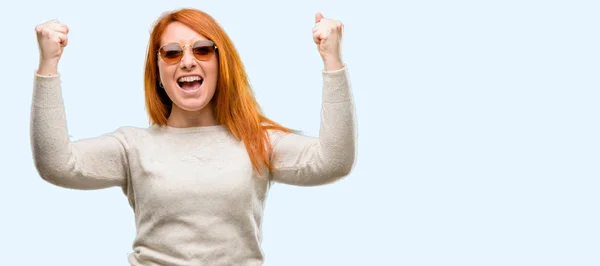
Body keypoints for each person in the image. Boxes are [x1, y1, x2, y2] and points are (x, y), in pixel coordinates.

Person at [31, 7, 356, 266]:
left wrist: (332, 60)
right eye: (172, 53)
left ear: (221, 62)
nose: (187, 61)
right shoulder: (132, 147)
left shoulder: (258, 141)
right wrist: (48, 65)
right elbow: (57, 165)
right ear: (157, 71)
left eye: (202, 50)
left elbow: (333, 162)